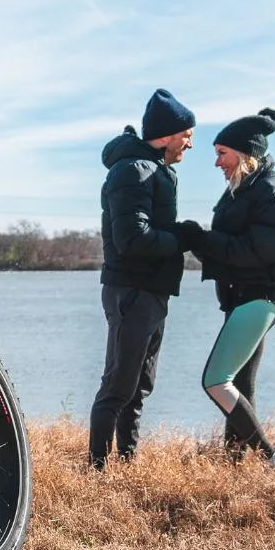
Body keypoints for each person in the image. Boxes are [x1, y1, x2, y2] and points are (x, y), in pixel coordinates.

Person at [88, 89, 201, 470]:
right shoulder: (132, 171)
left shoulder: (155, 170)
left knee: (139, 386)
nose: (191, 142)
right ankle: (97, 471)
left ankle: (128, 461)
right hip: (131, 290)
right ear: (168, 134)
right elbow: (132, 239)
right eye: (188, 134)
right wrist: (182, 237)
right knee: (119, 385)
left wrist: (179, 237)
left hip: (152, 290)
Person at [186, 108, 275, 467]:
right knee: (240, 381)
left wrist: (202, 241)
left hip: (260, 296)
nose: (216, 162)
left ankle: (274, 457)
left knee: (215, 380)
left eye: (222, 153)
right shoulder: (245, 188)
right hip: (243, 296)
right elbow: (234, 243)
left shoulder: (273, 192)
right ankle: (233, 462)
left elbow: (259, 250)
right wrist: (197, 240)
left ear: (244, 153)